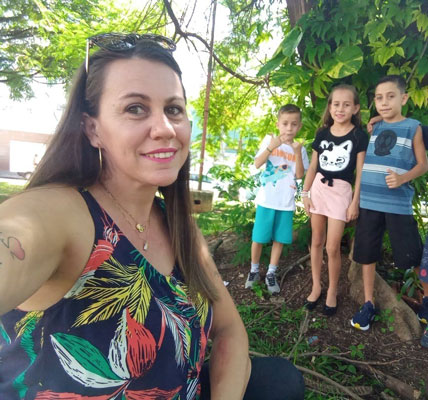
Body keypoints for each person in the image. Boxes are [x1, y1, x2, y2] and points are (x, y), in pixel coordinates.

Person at [0, 33, 305, 399]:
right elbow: (19, 234)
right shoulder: (62, 214)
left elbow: (229, 331)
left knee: (281, 379)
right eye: (135, 108)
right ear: (92, 129)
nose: (165, 128)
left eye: (174, 109)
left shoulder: (176, 224)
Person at [351, 75, 428, 331]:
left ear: (404, 98)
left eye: (390, 96)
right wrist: (377, 119)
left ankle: (426, 301)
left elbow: (423, 164)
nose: (384, 102)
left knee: (412, 255)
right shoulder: (375, 126)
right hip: (369, 203)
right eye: (379, 98)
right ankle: (368, 303)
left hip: (397, 205)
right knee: (366, 254)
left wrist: (403, 178)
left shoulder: (414, 127)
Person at [302, 84, 368, 316]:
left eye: (346, 104)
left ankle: (332, 290)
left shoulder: (359, 136)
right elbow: (313, 167)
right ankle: (316, 286)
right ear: (329, 107)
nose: (340, 109)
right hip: (319, 188)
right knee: (316, 241)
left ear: (355, 108)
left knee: (332, 247)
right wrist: (305, 194)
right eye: (336, 104)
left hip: (341, 192)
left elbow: (360, 173)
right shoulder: (322, 133)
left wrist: (354, 202)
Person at [244, 104, 309, 294]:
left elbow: (299, 175)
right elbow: (257, 163)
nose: (289, 128)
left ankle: (271, 273)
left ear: (299, 126)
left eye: (294, 124)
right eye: (285, 123)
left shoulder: (300, 149)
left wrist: (297, 152)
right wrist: (271, 147)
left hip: (286, 203)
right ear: (278, 124)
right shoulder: (269, 140)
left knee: (279, 240)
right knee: (258, 238)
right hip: (267, 200)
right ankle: (254, 271)